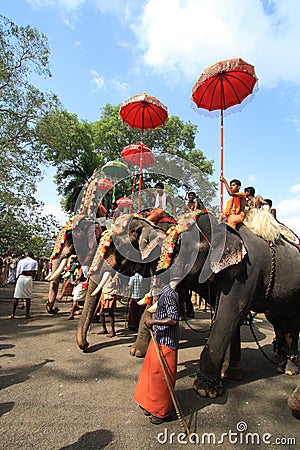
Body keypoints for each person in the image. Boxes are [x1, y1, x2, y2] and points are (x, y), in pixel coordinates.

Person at [134, 275, 179, 425]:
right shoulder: (162, 293)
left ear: (161, 279)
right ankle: (150, 404)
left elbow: (173, 319)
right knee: (151, 374)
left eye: (155, 279)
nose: (153, 282)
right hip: (158, 338)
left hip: (167, 342)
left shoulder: (169, 294)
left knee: (161, 377)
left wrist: (153, 321)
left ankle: (161, 412)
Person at [8, 251, 38, 319]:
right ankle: (27, 314)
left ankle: (13, 314)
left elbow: (18, 270)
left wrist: (17, 278)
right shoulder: (34, 262)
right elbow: (34, 272)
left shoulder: (21, 261)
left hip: (21, 277)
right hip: (28, 278)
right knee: (28, 297)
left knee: (17, 297)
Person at [96, 272, 118, 338]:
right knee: (101, 312)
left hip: (111, 294)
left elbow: (117, 285)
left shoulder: (115, 274)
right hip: (104, 293)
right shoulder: (104, 273)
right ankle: (104, 329)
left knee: (110, 313)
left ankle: (113, 331)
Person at [127, 266, 145, 331]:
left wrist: (127, 290)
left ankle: (132, 325)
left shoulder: (132, 278)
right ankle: (138, 325)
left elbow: (130, 287)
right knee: (138, 312)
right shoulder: (141, 277)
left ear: (134, 271)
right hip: (140, 296)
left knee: (132, 312)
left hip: (133, 296)